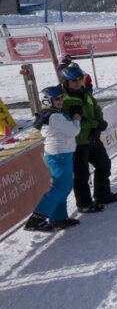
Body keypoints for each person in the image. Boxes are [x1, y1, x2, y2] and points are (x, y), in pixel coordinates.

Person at [61, 66, 117, 213]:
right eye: (73, 80)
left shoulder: (84, 92)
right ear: (66, 81)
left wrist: (98, 125)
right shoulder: (64, 99)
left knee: (104, 164)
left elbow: (96, 109)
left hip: (92, 138)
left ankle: (102, 194)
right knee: (81, 174)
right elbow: (75, 121)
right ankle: (84, 204)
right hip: (77, 142)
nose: (77, 82)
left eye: (80, 79)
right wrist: (95, 125)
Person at [24, 86, 81, 232]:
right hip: (59, 154)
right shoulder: (54, 116)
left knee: (65, 186)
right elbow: (74, 131)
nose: (60, 101)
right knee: (61, 186)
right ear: (48, 101)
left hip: (62, 153)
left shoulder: (53, 114)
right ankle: (37, 218)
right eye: (57, 99)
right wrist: (76, 119)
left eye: (61, 98)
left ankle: (58, 218)